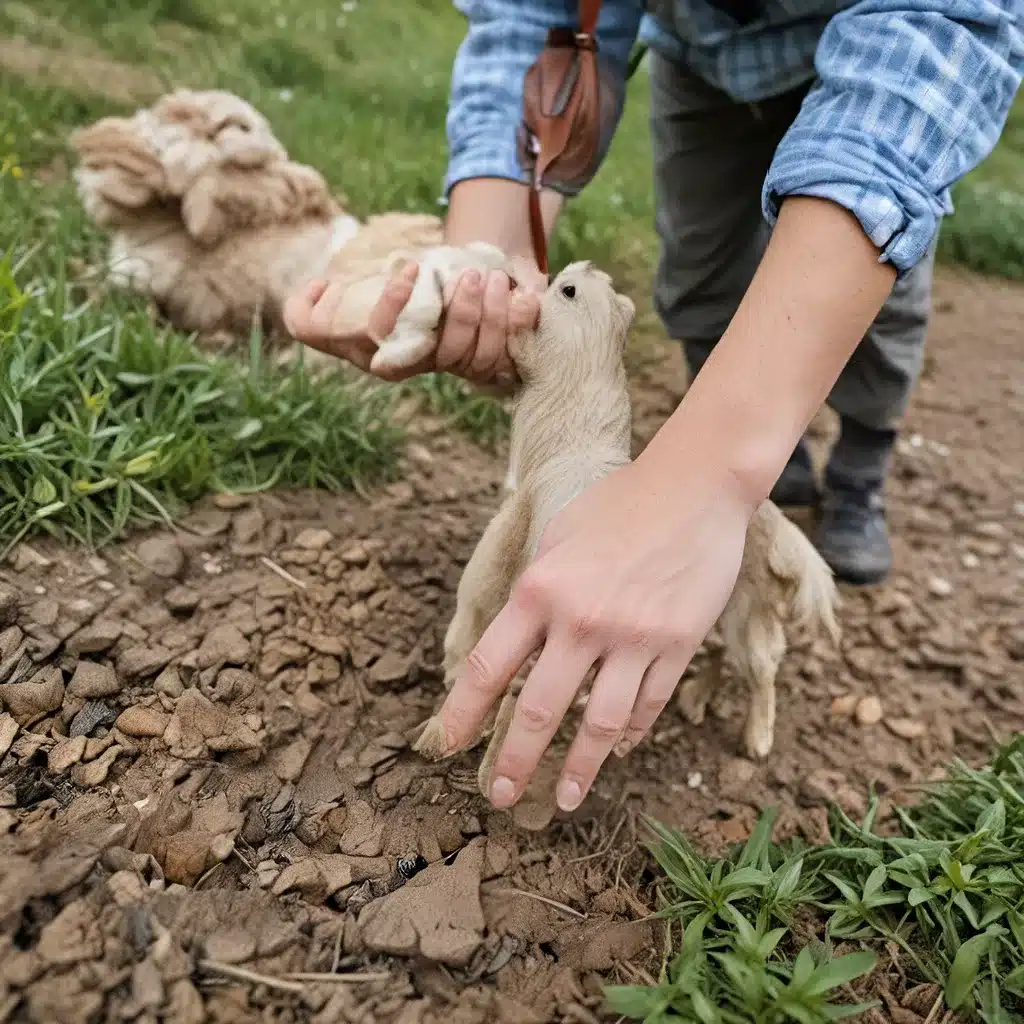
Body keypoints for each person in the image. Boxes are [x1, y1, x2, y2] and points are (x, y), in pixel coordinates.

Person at [284, 1, 1021, 817]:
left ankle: (859, 472)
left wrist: (711, 474)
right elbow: (534, 13)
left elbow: (936, 39)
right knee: (699, 277)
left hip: (872, 47)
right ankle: (789, 470)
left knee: (877, 312)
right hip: (702, 53)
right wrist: (485, 268)